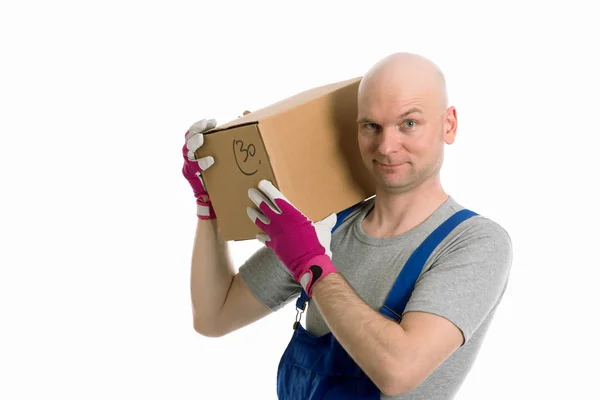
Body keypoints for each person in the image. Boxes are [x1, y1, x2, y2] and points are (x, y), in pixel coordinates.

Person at [181, 52, 513, 399]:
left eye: (408, 124)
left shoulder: (475, 242)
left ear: (449, 125)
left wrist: (311, 264)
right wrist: (211, 206)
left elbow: (397, 371)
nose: (386, 147)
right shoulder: (329, 226)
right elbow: (213, 316)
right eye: (371, 125)